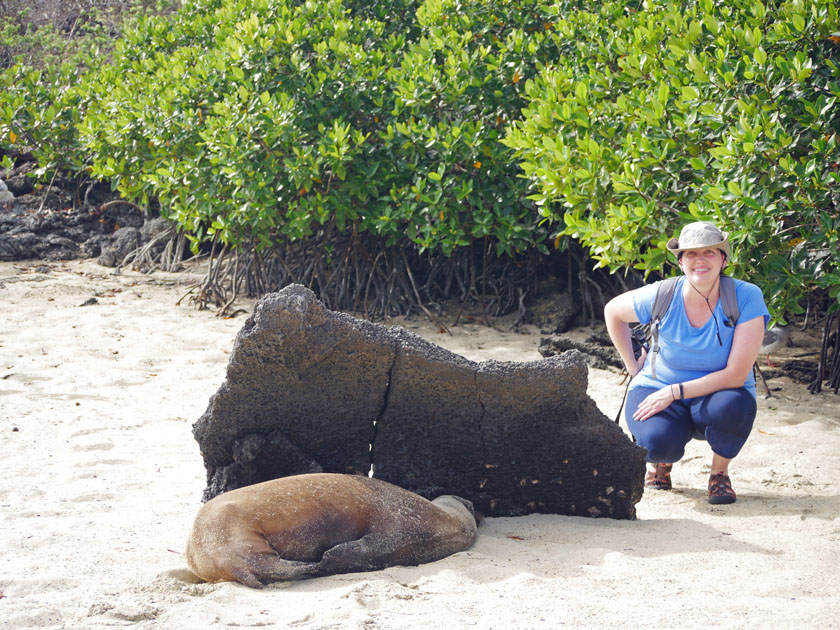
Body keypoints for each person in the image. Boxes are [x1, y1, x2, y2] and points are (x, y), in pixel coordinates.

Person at [604, 222, 769, 504]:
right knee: (657, 442)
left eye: (709, 252)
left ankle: (719, 474)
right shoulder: (663, 294)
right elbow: (613, 311)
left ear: (724, 259)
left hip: (719, 393)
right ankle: (661, 464)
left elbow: (736, 375)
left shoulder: (746, 296)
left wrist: (674, 392)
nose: (700, 260)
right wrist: (634, 369)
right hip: (657, 384)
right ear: (680, 262)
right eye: (691, 254)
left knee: (734, 406)